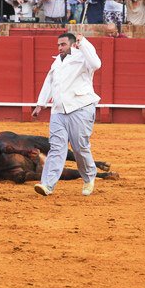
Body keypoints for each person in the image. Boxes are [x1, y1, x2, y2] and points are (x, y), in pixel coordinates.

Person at [32, 33, 101, 197]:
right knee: (56, 148)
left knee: (79, 148)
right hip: (58, 110)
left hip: (81, 107)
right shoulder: (57, 61)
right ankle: (47, 184)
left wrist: (83, 43)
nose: (59, 48)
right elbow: (49, 82)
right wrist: (40, 104)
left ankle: (89, 177)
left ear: (72, 44)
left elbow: (96, 63)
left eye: (63, 44)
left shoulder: (83, 56)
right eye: (58, 45)